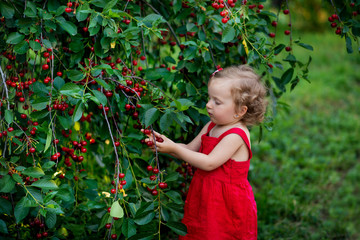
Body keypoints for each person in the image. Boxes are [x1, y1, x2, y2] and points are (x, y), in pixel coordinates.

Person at [142, 65, 267, 239]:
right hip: (205, 195)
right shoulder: (211, 126)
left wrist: (175, 148)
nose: (208, 105)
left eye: (217, 102)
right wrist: (167, 144)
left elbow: (209, 162)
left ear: (240, 111)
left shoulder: (236, 135)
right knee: (201, 232)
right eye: (209, 98)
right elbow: (189, 150)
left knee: (220, 234)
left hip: (227, 203)